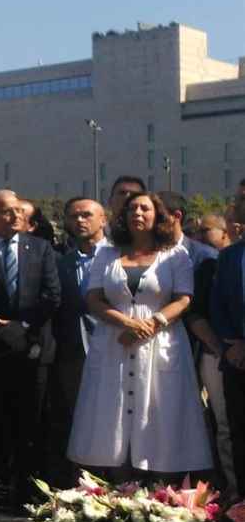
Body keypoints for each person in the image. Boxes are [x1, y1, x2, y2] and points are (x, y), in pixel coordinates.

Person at [68, 192, 211, 477]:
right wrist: (127, 323)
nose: (138, 213)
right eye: (132, 208)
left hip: (162, 340)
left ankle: (159, 482)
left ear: (157, 214)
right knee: (111, 408)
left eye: (145, 208)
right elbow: (94, 298)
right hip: (114, 340)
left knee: (160, 406)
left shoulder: (175, 254)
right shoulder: (107, 252)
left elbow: (184, 298)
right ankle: (113, 481)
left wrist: (152, 323)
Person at [0, 190, 61, 507]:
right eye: (7, 211)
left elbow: (52, 295)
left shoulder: (42, 248)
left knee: (29, 424)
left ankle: (25, 491)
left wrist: (21, 326)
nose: (15, 216)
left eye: (19, 210)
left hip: (32, 350)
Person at [47, 198, 108, 489]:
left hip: (112, 347)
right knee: (77, 418)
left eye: (87, 215)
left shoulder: (119, 256)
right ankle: (81, 485)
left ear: (103, 219)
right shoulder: (62, 261)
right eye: (74, 216)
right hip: (73, 351)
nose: (80, 221)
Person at [210, 191, 245, 502]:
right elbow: (217, 305)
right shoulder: (230, 256)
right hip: (237, 360)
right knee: (238, 432)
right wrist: (232, 344)